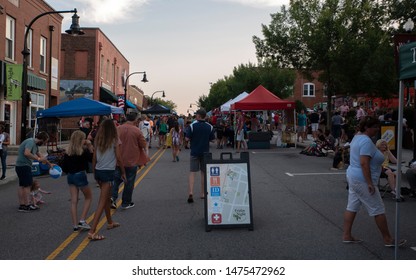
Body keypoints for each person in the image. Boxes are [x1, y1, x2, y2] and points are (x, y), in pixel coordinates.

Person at [342, 116, 406, 247]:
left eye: (378, 126)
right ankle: (388, 239)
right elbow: (364, 163)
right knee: (378, 208)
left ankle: (347, 235)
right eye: (374, 127)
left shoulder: (357, 137)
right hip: (362, 179)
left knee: (352, 206)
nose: (377, 129)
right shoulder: (365, 141)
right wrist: (370, 183)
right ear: (366, 127)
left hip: (353, 176)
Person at [88, 119, 126, 241]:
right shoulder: (115, 140)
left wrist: (95, 172)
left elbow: (94, 157)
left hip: (99, 170)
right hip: (108, 172)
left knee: (106, 198)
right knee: (102, 201)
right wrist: (123, 172)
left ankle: (110, 222)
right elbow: (119, 158)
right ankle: (92, 231)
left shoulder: (98, 140)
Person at [111, 113, 146, 210]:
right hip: (132, 160)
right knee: (129, 182)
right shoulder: (137, 130)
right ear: (135, 120)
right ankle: (126, 202)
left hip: (119, 159)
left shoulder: (118, 129)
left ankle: (112, 198)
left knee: (116, 180)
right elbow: (143, 145)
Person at [62, 130, 94, 232]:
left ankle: (75, 225)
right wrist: (90, 147)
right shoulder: (83, 151)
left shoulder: (68, 152)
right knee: (88, 197)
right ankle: (82, 219)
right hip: (80, 174)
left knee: (74, 201)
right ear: (81, 140)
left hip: (70, 176)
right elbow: (92, 159)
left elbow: (64, 167)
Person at [16, 132, 52, 212]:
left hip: (22, 166)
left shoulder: (35, 145)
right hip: (23, 166)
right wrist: (38, 159)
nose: (44, 144)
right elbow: (27, 153)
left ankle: (22, 205)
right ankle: (27, 205)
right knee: (27, 186)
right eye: (45, 142)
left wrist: (50, 164)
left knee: (22, 185)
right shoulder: (30, 142)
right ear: (42, 139)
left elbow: (41, 156)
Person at [185, 108, 215, 203]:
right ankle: (202, 193)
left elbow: (186, 138)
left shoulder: (192, 126)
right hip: (205, 152)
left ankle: (191, 192)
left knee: (192, 172)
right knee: (203, 173)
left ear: (198, 116)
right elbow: (213, 140)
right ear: (205, 116)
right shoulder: (209, 127)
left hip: (194, 152)